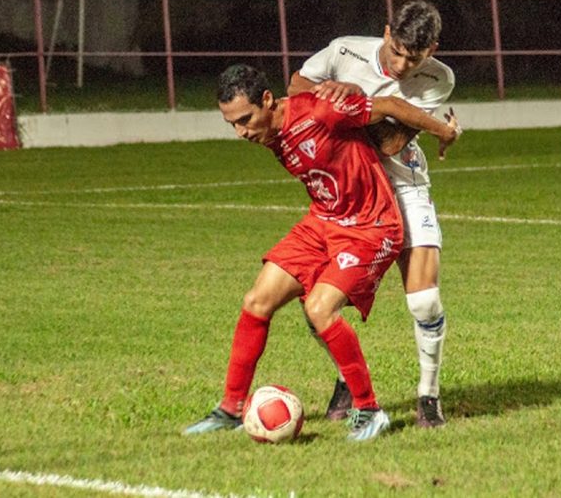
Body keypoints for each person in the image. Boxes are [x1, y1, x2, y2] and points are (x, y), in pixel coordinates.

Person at [183, 63, 459, 442]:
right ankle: (231, 408)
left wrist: (445, 131)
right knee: (257, 300)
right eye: (231, 124)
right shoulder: (272, 131)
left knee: (319, 308)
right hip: (325, 222)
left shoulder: (320, 111)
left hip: (370, 226)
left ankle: (369, 410)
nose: (241, 132)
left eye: (245, 119)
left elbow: (391, 105)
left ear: (267, 100)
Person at [287, 0, 456, 428]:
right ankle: (347, 378)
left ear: (431, 49)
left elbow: (390, 144)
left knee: (424, 299)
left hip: (402, 183)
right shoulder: (344, 51)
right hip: (351, 193)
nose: (401, 65)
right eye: (396, 50)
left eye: (412, 58)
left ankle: (429, 398)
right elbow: (295, 88)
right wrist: (334, 95)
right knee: (315, 303)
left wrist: (354, 98)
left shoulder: (437, 78)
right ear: (386, 33)